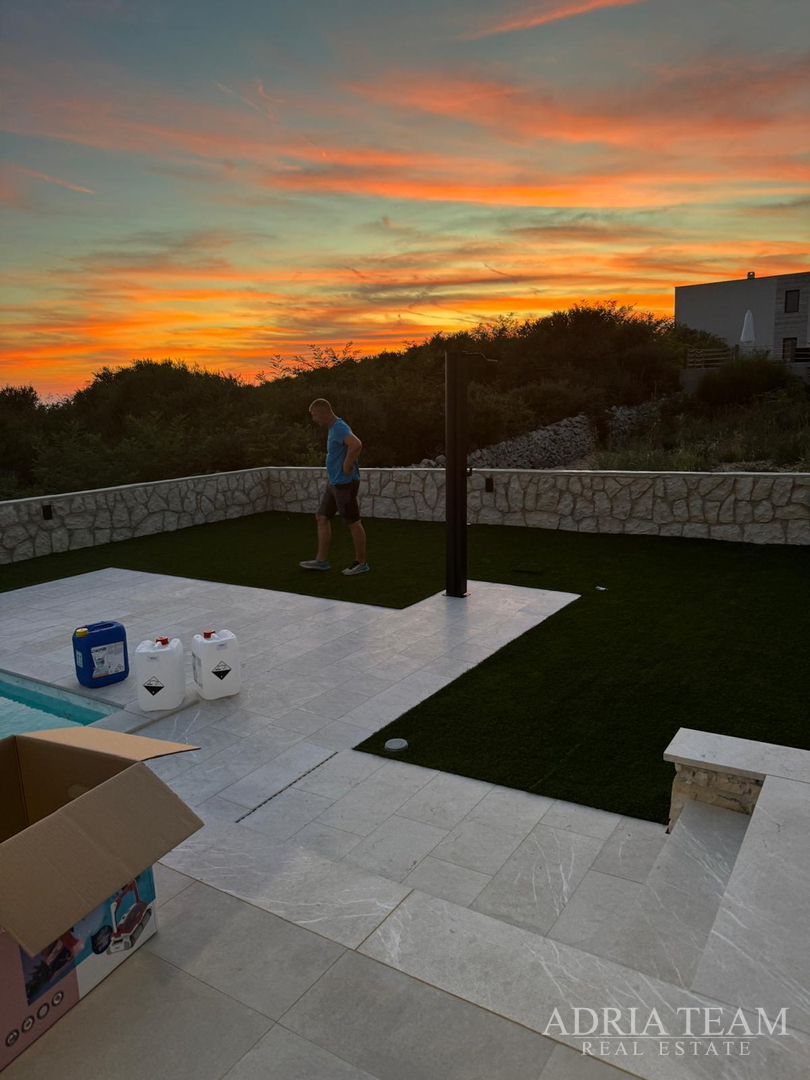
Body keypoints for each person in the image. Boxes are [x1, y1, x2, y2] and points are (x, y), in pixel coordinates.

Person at [300, 398, 370, 575]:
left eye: (315, 415)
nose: (314, 419)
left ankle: (361, 563)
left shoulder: (339, 427)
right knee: (322, 517)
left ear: (324, 412)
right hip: (335, 483)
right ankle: (321, 561)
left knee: (353, 522)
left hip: (345, 484)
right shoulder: (333, 428)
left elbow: (356, 444)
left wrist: (347, 463)